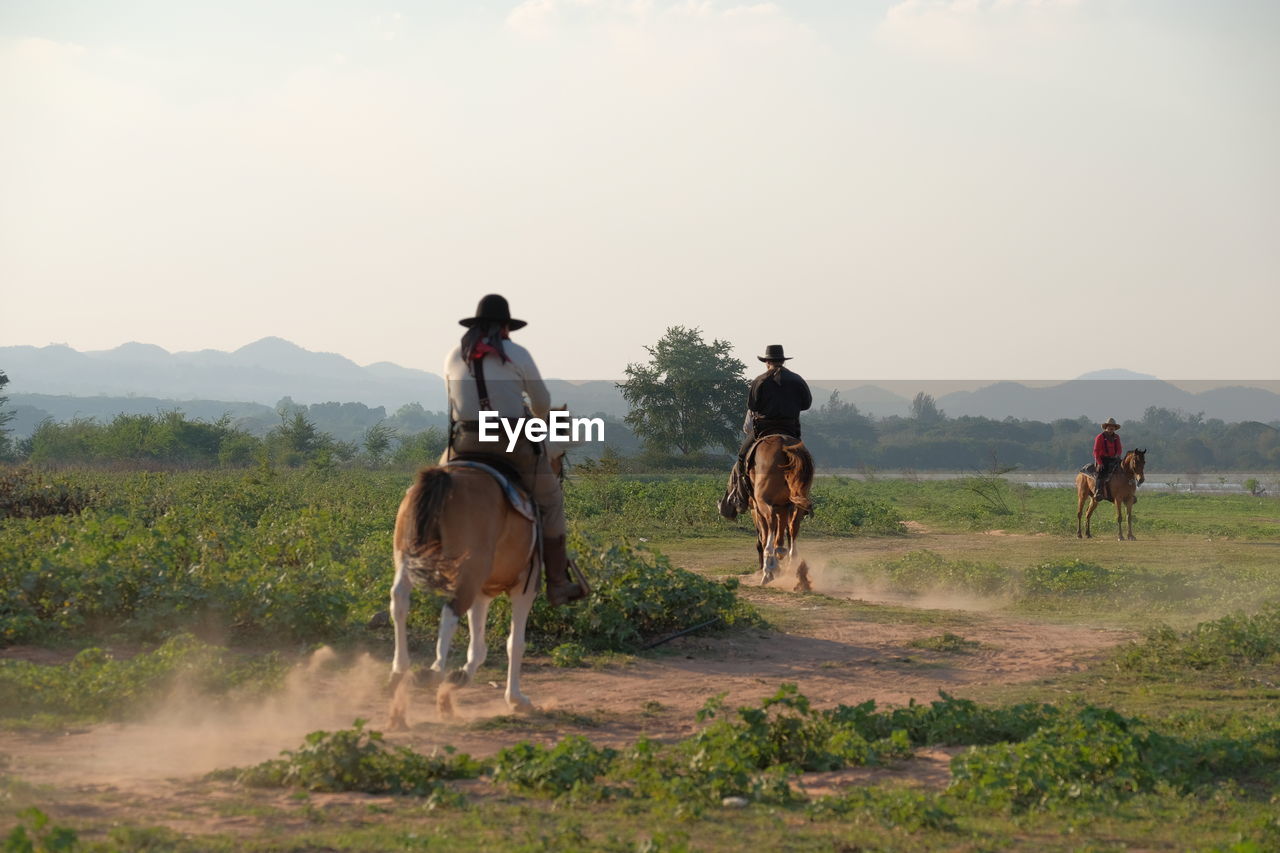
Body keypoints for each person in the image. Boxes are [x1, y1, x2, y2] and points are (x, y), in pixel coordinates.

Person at [442, 294, 585, 607]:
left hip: (465, 441)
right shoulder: (516, 353)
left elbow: (452, 403)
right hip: (510, 439)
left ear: (476, 326)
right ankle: (558, 582)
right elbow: (543, 403)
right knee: (550, 499)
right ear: (506, 327)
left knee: (432, 486)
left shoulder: (454, 354)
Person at [718, 344, 813, 519]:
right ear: (783, 361)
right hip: (790, 431)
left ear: (767, 361)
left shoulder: (760, 380)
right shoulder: (797, 380)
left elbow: (752, 406)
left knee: (741, 457)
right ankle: (805, 498)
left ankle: (741, 500)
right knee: (805, 461)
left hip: (763, 431)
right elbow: (806, 404)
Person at [1091, 417, 1123, 502]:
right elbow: (1096, 451)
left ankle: (1126, 491)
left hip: (1114, 459)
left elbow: (1119, 449)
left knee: (1124, 470)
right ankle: (1098, 492)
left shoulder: (1117, 437)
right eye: (1109, 426)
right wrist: (1099, 462)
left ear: (1115, 428)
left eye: (1113, 426)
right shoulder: (1100, 437)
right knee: (1101, 473)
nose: (1111, 428)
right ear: (1106, 427)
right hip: (1103, 459)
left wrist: (1118, 455)